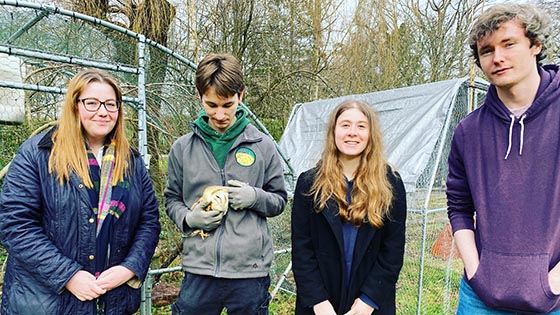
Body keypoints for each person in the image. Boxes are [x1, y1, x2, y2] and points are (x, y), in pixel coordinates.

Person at [0, 68, 161, 315]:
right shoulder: (38, 154)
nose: (103, 111)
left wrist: (129, 268)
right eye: (92, 103)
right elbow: (15, 224)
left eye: (110, 104)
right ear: (75, 106)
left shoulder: (131, 162)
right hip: (47, 302)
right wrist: (68, 275)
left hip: (112, 301)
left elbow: (149, 221)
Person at [446, 3, 560, 314]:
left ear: (535, 44)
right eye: (486, 50)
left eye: (509, 44)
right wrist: (476, 271)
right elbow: (458, 205)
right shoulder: (468, 132)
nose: (497, 57)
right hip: (480, 297)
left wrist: (553, 282)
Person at [164, 53, 288, 315]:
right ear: (199, 96)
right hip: (200, 270)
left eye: (228, 105)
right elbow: (171, 199)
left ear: (241, 95)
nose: (220, 114)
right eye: (211, 105)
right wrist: (189, 219)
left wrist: (254, 197)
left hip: (249, 271)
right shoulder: (182, 148)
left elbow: (279, 199)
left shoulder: (263, 146)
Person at [291, 99, 407, 315]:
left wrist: (368, 300)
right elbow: (302, 250)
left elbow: (392, 250)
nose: (352, 132)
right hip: (321, 305)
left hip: (370, 305)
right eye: (345, 125)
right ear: (333, 132)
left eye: (361, 126)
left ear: (371, 134)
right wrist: (318, 301)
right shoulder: (309, 183)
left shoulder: (391, 184)